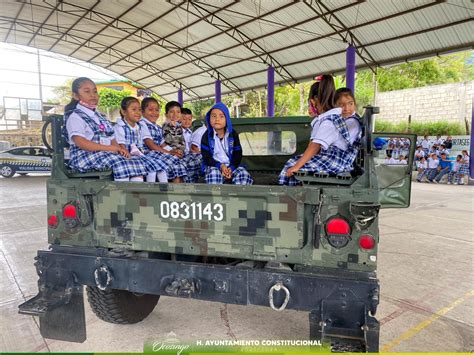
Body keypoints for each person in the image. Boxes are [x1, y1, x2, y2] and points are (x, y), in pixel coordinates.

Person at [278, 76, 361, 186]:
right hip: (334, 157)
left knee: (292, 169)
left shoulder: (330, 121)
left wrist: (296, 167)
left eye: (350, 104)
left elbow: (315, 146)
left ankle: (287, 196)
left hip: (335, 160)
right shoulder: (332, 118)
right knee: (292, 163)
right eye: (342, 105)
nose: (346, 108)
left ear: (313, 101)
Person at [64, 77, 147, 181]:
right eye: (87, 91)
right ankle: (121, 195)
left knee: (135, 161)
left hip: (103, 154)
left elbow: (111, 138)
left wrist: (120, 150)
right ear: (75, 95)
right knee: (120, 164)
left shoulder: (100, 117)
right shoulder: (75, 117)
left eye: (95, 91)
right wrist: (111, 149)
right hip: (84, 156)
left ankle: (134, 195)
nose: (92, 95)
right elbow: (81, 143)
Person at [114, 96, 170, 183]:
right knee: (142, 168)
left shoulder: (139, 127)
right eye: (134, 109)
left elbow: (139, 145)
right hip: (125, 155)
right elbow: (122, 147)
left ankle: (163, 189)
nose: (137, 112)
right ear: (124, 112)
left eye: (139, 109)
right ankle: (140, 192)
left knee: (156, 165)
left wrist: (141, 155)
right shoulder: (120, 127)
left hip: (137, 153)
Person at [201, 102, 253, 185]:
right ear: (209, 118)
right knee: (214, 175)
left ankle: (238, 197)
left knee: (243, 175)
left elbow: (238, 154)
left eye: (221, 116)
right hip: (214, 166)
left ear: (227, 119)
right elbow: (206, 158)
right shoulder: (206, 136)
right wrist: (220, 166)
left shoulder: (233, 134)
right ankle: (216, 198)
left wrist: (231, 168)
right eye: (214, 116)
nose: (217, 119)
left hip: (231, 167)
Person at [139, 97, 187, 183]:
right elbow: (151, 145)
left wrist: (173, 150)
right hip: (148, 153)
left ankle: (177, 190)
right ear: (142, 111)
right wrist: (169, 153)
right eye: (150, 110)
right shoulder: (142, 124)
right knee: (174, 159)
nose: (154, 113)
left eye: (157, 110)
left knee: (178, 159)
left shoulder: (157, 127)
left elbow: (162, 143)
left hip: (157, 151)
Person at [180, 107, 203, 183]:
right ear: (179, 118)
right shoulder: (177, 132)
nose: (187, 121)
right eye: (184, 119)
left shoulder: (190, 132)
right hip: (182, 156)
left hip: (190, 155)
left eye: (189, 119)